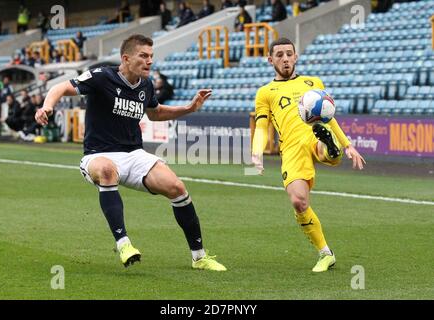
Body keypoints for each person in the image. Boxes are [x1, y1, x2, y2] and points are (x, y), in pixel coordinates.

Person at [34, 34, 226, 271]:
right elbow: (61, 87)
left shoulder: (145, 84)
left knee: (177, 188)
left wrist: (189, 108)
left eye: (151, 56)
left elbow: (155, 113)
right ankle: (124, 244)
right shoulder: (102, 76)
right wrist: (47, 106)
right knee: (106, 171)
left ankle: (199, 257)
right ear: (126, 58)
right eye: (143, 56)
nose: (149, 61)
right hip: (98, 154)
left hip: (134, 154)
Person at [251, 38, 365, 272]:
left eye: (289, 54)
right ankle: (326, 254)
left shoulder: (313, 83)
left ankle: (330, 149)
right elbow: (262, 126)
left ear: (296, 57)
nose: (285, 59)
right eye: (280, 55)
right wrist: (256, 153)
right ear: (270, 59)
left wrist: (347, 145)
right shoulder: (265, 92)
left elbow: (329, 116)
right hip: (292, 150)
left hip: (313, 136)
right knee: (298, 201)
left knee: (325, 145)